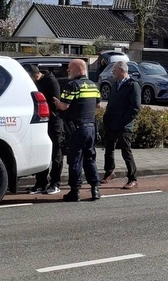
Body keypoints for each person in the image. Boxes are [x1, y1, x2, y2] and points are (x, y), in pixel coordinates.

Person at [52, 58, 101, 202]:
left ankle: (75, 191)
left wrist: (56, 102)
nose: (67, 70)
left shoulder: (72, 85)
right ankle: (95, 189)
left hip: (76, 129)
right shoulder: (94, 85)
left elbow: (64, 106)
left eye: (70, 68)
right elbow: (97, 106)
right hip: (91, 128)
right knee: (90, 159)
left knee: (75, 161)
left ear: (79, 70)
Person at [101, 61, 141, 189]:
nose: (113, 73)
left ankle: (132, 178)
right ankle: (109, 172)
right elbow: (111, 103)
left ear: (122, 71)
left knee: (126, 150)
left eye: (115, 71)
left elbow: (135, 107)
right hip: (112, 122)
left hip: (124, 124)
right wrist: (106, 117)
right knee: (108, 149)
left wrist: (125, 120)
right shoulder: (115, 84)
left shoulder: (132, 85)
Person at [27, 64, 63, 195]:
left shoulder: (51, 82)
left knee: (56, 153)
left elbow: (55, 103)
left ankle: (55, 183)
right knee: (42, 152)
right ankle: (40, 183)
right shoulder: (36, 82)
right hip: (41, 122)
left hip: (53, 121)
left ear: (35, 75)